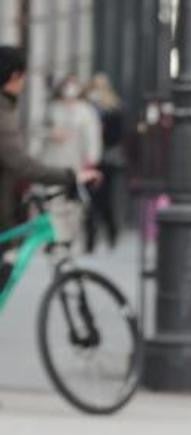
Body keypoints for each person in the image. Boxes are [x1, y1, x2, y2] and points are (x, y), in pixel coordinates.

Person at [0, 47, 98, 289]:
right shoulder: (3, 112)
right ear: (14, 77)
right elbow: (20, 162)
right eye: (23, 77)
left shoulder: (8, 108)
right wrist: (70, 176)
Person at [39, 74, 102, 248]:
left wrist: (91, 160)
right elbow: (38, 129)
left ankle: (68, 238)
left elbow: (93, 137)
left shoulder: (85, 111)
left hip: (75, 164)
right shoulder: (53, 108)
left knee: (72, 204)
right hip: (52, 161)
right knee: (52, 201)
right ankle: (54, 238)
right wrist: (51, 134)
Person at [84, 73, 126, 252]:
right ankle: (90, 240)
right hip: (87, 160)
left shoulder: (113, 109)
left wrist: (103, 130)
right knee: (88, 202)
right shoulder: (86, 108)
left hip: (106, 160)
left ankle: (111, 232)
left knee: (104, 201)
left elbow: (117, 136)